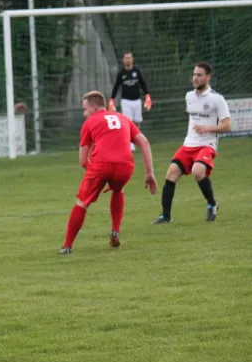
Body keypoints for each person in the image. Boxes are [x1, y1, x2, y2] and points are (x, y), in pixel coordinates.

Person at [59, 91, 157, 255]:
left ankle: (67, 246)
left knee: (82, 202)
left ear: (93, 107)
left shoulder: (89, 123)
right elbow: (145, 143)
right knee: (118, 190)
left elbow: (83, 160)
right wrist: (149, 173)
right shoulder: (123, 118)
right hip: (125, 166)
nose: (84, 114)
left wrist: (96, 176)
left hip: (101, 164)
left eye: (85, 109)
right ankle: (115, 232)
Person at [152, 62, 231, 224]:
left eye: (199, 75)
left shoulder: (217, 99)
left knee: (197, 170)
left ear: (208, 77)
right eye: (194, 75)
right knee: (171, 173)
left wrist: (207, 128)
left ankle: (212, 203)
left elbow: (228, 126)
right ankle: (166, 216)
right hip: (189, 144)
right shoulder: (189, 96)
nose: (195, 78)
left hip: (207, 145)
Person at [109, 51, 152, 152]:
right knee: (128, 123)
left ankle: (136, 140)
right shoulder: (121, 74)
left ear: (132, 59)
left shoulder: (136, 71)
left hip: (137, 101)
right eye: (126, 58)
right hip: (126, 101)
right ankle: (130, 144)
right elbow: (116, 87)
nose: (128, 60)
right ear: (123, 60)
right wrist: (111, 100)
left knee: (137, 122)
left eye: (129, 58)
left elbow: (143, 84)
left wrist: (147, 97)